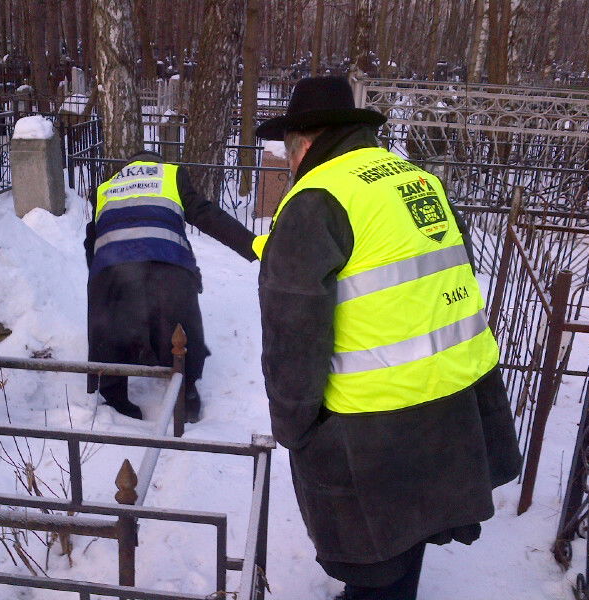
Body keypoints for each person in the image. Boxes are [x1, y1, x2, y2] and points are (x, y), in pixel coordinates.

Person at [253, 77, 522, 600]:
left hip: (373, 418)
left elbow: (294, 330)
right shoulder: (414, 178)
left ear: (301, 145)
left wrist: (293, 422)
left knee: (375, 550)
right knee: (412, 529)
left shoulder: (315, 199)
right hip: (455, 393)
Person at [84, 150, 256, 422]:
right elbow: (205, 214)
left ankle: (115, 398)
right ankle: (186, 397)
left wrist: (99, 282)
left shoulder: (105, 188)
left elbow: (91, 241)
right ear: (156, 164)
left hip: (112, 268)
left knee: (110, 331)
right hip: (167, 264)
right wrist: (251, 244)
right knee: (178, 327)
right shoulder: (171, 175)